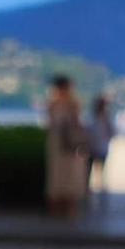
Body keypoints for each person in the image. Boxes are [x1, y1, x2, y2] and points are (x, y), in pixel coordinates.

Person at [44, 76, 88, 217]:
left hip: (64, 144)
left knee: (66, 176)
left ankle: (66, 210)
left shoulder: (64, 104)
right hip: (61, 144)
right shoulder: (58, 104)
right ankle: (63, 211)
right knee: (63, 176)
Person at [87, 96, 115, 197]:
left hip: (100, 148)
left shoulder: (103, 119)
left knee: (97, 173)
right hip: (95, 148)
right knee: (92, 173)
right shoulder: (95, 118)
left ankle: (97, 190)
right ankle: (93, 191)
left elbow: (112, 132)